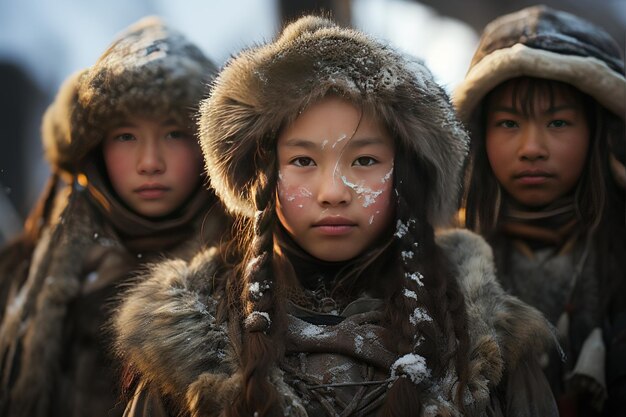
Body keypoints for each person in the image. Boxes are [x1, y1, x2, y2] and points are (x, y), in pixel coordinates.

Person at [113, 15, 557, 417]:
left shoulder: (481, 340)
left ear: (407, 176)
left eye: (364, 161)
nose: (333, 192)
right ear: (264, 175)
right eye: (303, 162)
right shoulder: (190, 339)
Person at [0, 16, 231, 417]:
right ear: (95, 149)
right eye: (126, 136)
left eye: (174, 133)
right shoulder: (21, 271)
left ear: (207, 144)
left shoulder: (254, 277)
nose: (149, 162)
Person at [454, 5, 626, 417]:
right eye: (509, 123)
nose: (532, 148)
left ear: (596, 130)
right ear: (480, 134)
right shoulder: (444, 261)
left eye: (558, 123)